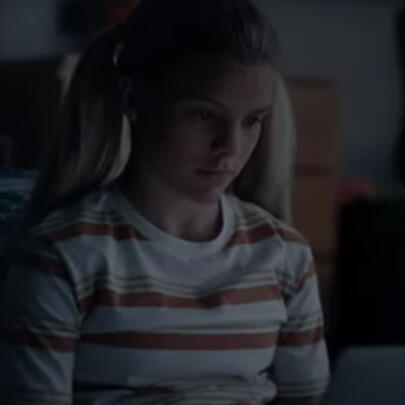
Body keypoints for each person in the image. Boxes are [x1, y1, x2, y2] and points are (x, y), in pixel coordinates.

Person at [0, 0, 330, 404]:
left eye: (252, 121)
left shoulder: (285, 255)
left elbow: (304, 399)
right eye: (204, 115)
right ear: (133, 99)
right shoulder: (63, 256)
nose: (231, 149)